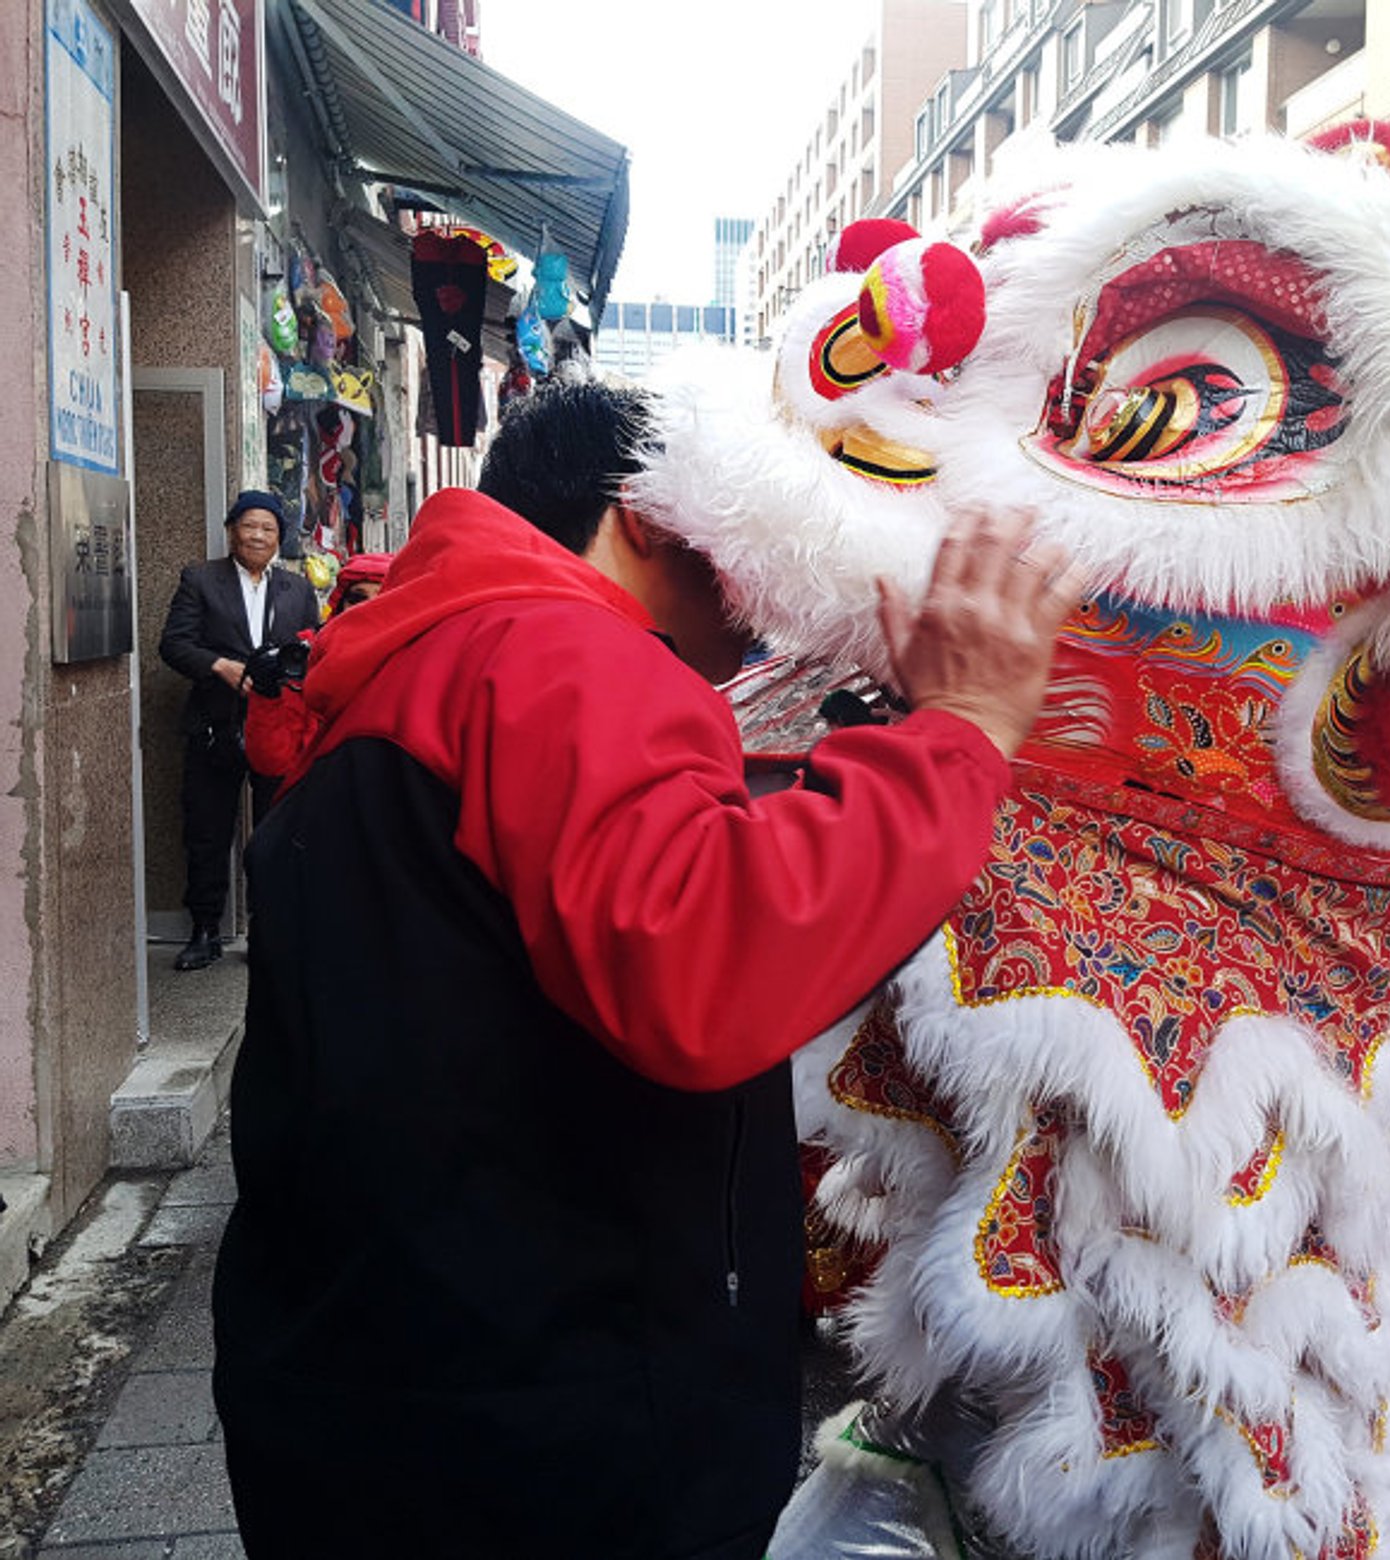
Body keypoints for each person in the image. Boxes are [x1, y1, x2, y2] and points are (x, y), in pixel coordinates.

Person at [209, 379, 1087, 1560]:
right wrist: (965, 728)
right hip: (533, 1437)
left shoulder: (433, 653)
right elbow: (708, 962)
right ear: (648, 512)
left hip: (378, 1384)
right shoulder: (556, 649)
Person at [157, 490, 319, 971]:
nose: (257, 535)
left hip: (278, 729)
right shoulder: (201, 580)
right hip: (215, 725)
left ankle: (266, 930)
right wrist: (220, 666)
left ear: (279, 538)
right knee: (207, 829)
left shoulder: (297, 589)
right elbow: (173, 644)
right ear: (232, 530)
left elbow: (311, 650)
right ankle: (205, 929)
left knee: (274, 832)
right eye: (248, 526)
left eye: (268, 529)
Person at [241, 552, 393, 782]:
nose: (368, 608)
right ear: (341, 604)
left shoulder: (421, 660)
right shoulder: (309, 657)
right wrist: (265, 695)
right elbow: (273, 761)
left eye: (383, 597)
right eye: (357, 599)